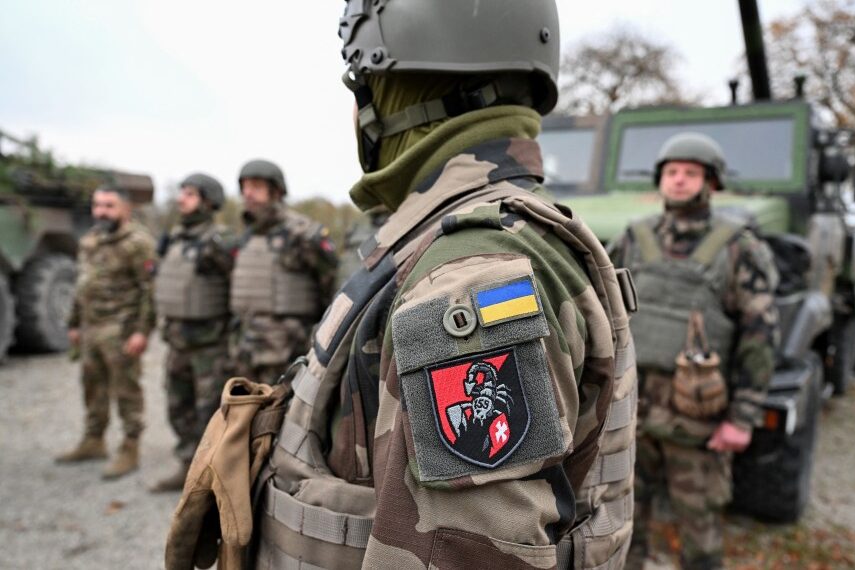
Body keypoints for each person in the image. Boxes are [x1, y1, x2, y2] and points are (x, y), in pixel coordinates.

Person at [165, 1, 638, 568]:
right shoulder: (449, 236)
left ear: (388, 99)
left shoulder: (469, 269)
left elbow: (463, 551)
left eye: (365, 86)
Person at [608, 133, 780, 570]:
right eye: (671, 172)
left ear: (712, 183)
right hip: (633, 411)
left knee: (700, 534)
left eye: (690, 172)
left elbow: (760, 335)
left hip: (697, 416)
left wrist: (743, 417)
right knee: (620, 526)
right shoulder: (633, 238)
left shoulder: (739, 247)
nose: (679, 181)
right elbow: (600, 310)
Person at [56, 184, 156, 480]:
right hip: (91, 328)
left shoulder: (138, 243)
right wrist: (74, 323)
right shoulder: (90, 240)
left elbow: (149, 291)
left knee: (126, 390)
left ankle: (130, 446)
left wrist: (142, 331)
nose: (101, 211)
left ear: (126, 208)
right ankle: (94, 439)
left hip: (121, 331)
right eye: (97, 205)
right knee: (92, 387)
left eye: (109, 206)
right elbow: (81, 284)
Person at [150, 173, 236, 492]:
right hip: (177, 342)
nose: (180, 199)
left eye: (190, 194)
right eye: (182, 193)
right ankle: (187, 468)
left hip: (209, 346)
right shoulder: (174, 238)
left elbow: (238, 289)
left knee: (209, 414)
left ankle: (213, 478)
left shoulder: (220, 240)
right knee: (178, 407)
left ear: (208, 200)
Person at [228, 159, 338, 385]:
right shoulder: (247, 235)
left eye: (256, 187)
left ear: (276, 191)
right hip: (245, 351)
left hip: (287, 353)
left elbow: (333, 289)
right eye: (245, 187)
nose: (247, 194)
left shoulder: (303, 234)